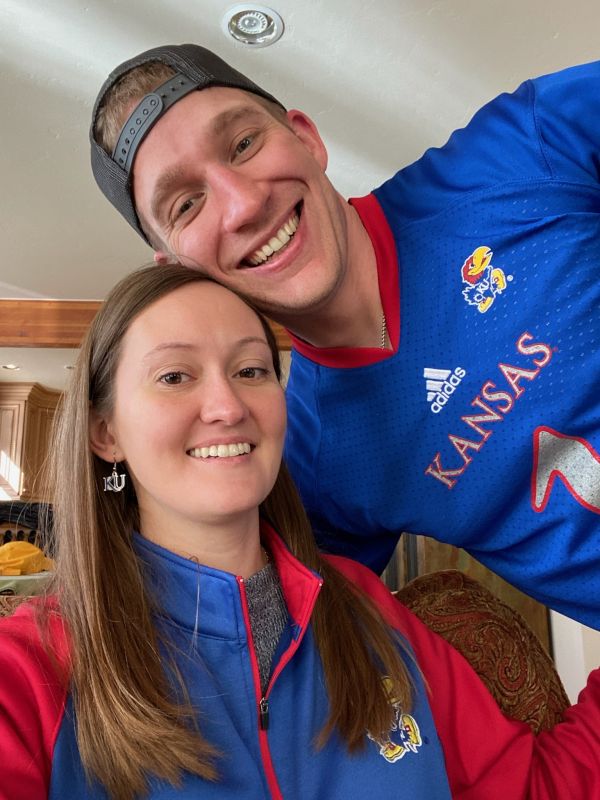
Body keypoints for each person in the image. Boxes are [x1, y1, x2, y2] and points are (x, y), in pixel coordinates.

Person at [0, 264, 599, 800]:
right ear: (105, 433)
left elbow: (534, 787)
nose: (228, 406)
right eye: (175, 376)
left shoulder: (366, 605)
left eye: (251, 370)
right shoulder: (27, 672)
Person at [89, 45, 600, 628]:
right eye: (186, 204)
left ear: (306, 138)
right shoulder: (308, 462)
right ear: (177, 266)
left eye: (244, 144)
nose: (244, 204)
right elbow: (286, 635)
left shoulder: (524, 147)